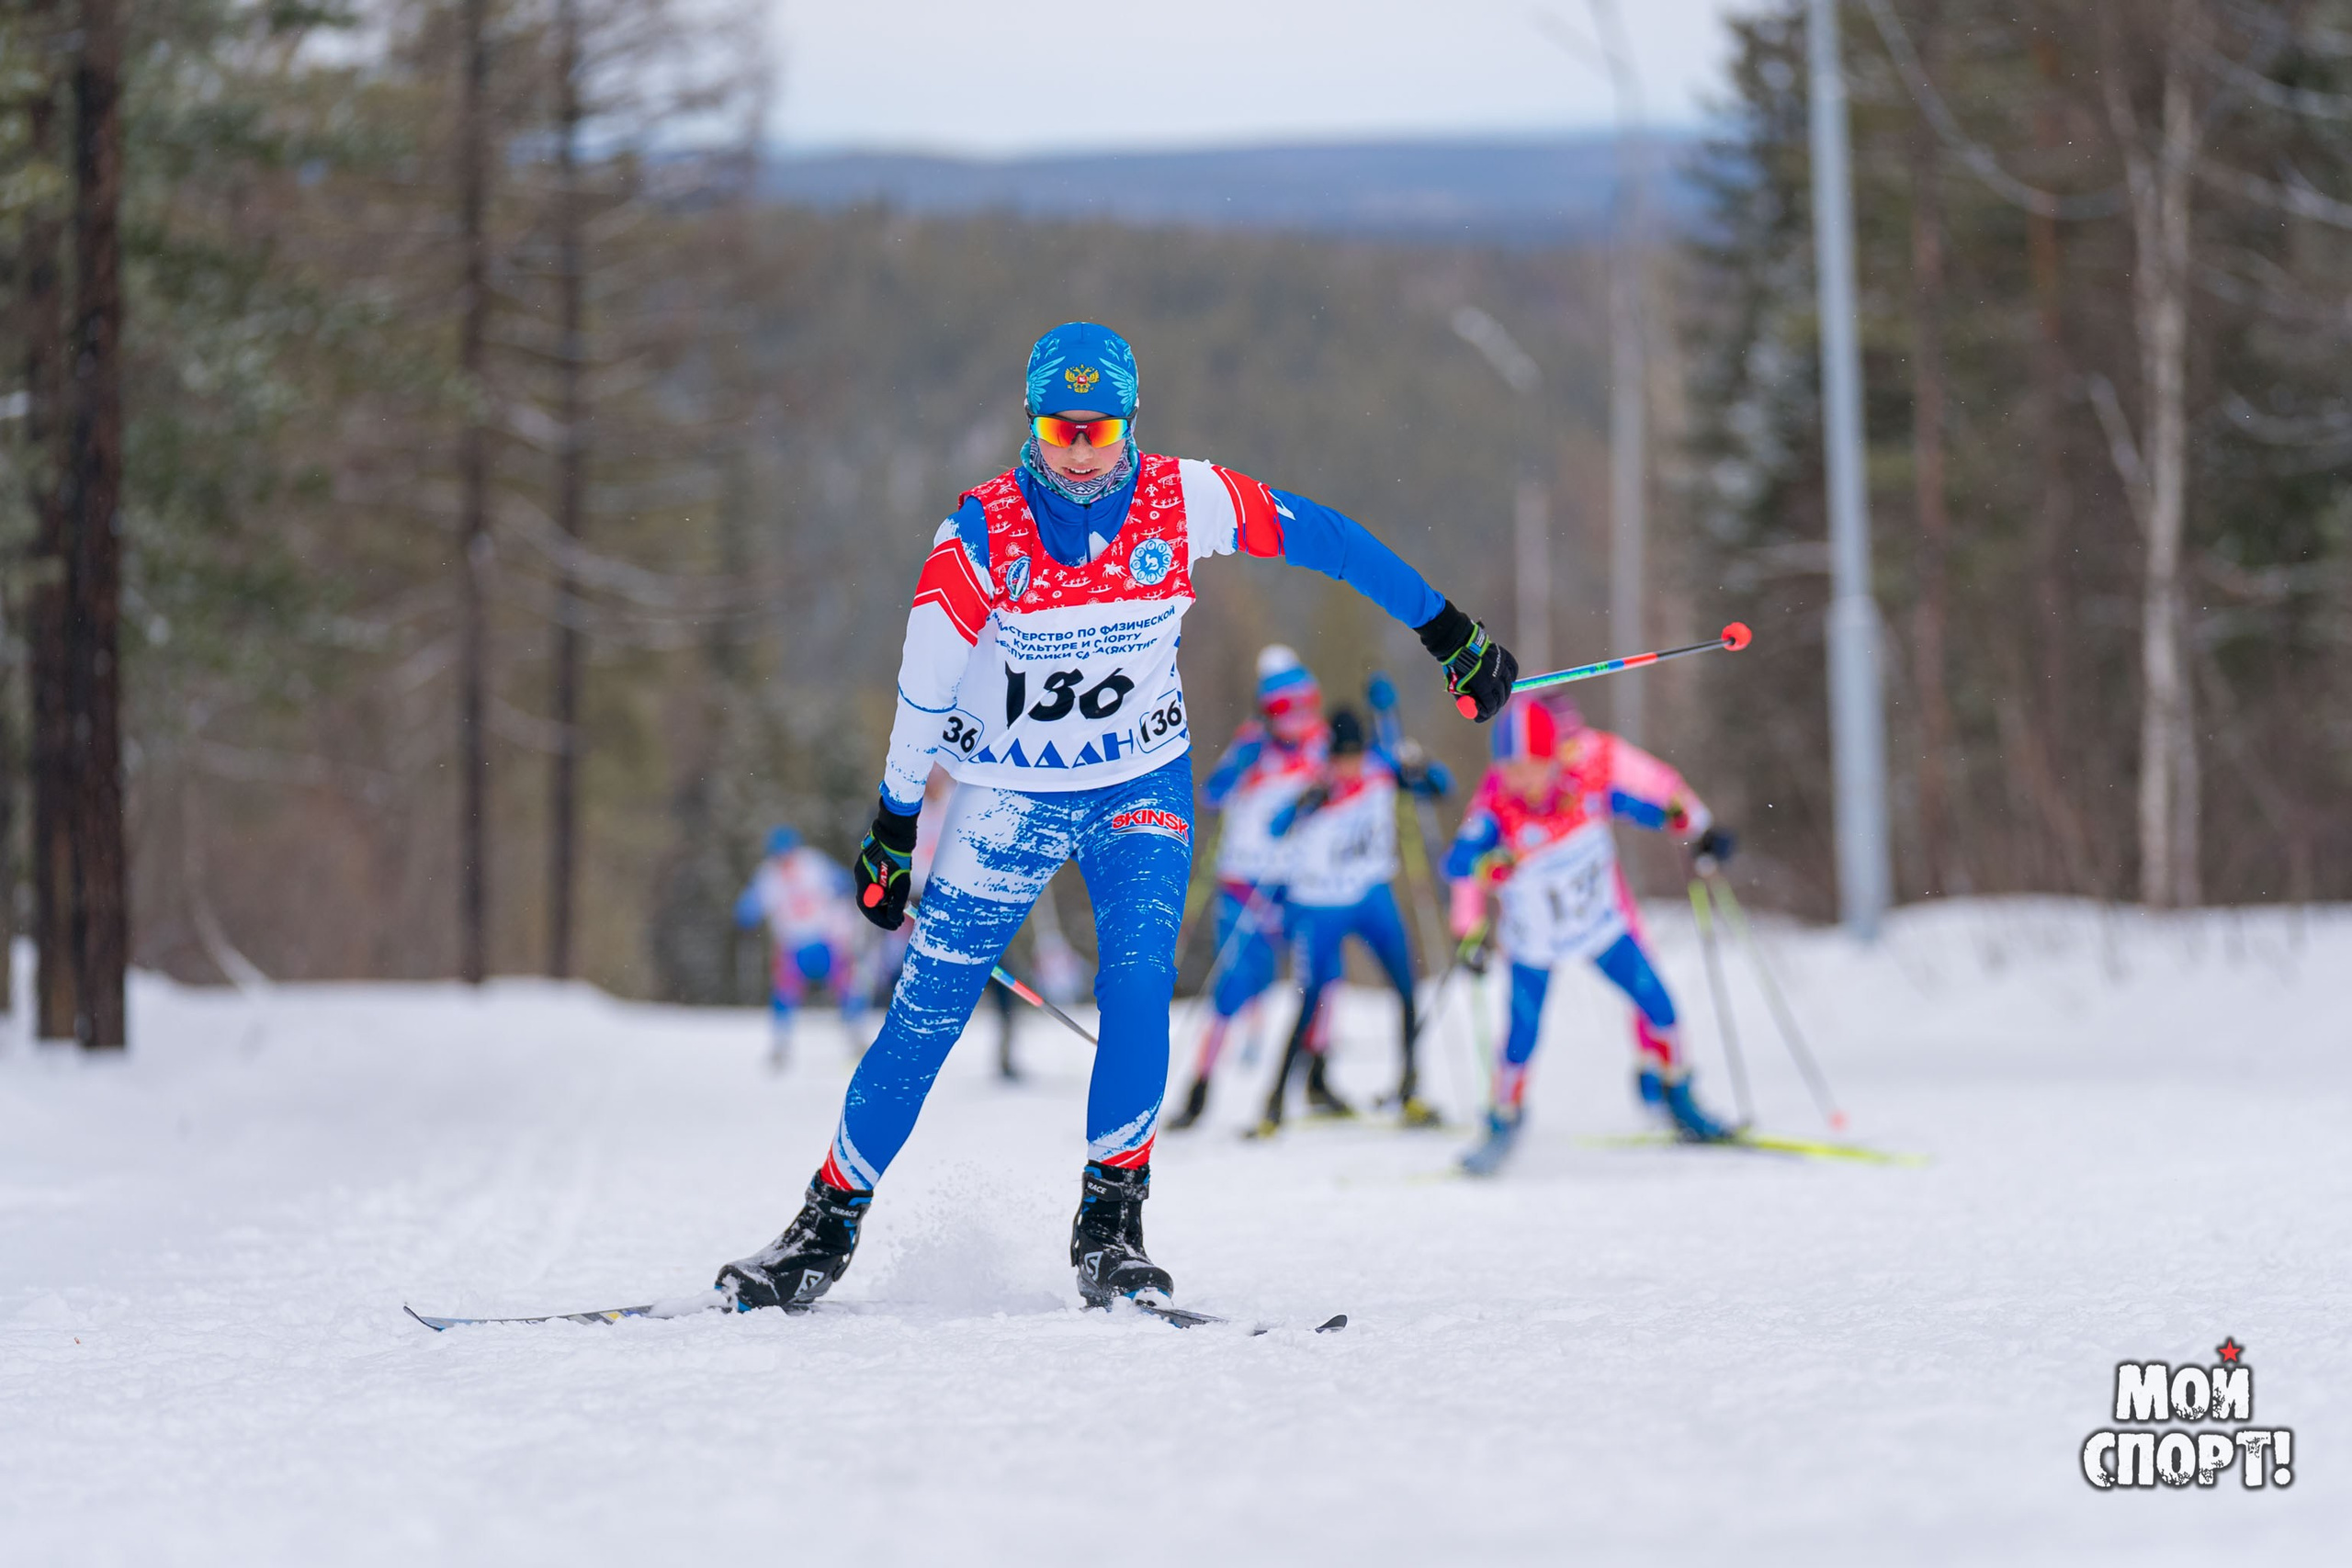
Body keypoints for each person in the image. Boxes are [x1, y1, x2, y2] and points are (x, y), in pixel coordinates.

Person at [713, 321, 1518, 1313]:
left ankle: (1112, 1229)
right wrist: (891, 826)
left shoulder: (1184, 499)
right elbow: (921, 694)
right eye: (1062, 429)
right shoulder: (981, 535)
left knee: (1138, 985)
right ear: (1032, 423)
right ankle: (823, 1229)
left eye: (1100, 430)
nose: (1082, 452)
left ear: (1132, 422)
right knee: (927, 1015)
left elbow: (1327, 538)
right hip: (1008, 794)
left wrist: (1448, 630)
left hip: (1140, 784)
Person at [1445, 697, 1738, 1177]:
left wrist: (1689, 823)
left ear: (1553, 758)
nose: (1521, 779)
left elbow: (1649, 804)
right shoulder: (1495, 808)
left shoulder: (1584, 787)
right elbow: (1459, 864)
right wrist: (1471, 927)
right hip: (1534, 945)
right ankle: (1503, 1119)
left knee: (1661, 1008)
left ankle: (1680, 1098)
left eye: (1531, 766)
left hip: (1600, 929)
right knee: (1521, 1036)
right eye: (1510, 768)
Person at [1252, 707, 1446, 1134]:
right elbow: (1276, 828)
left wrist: (1421, 767)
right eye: (1342, 758)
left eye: (1355, 756)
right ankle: (1274, 1101)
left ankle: (1410, 1089)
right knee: (1310, 1000)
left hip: (1372, 894)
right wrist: (1303, 806)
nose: (1350, 766)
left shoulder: (1381, 769)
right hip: (1321, 903)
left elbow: (1438, 788)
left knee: (1407, 987)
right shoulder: (1318, 783)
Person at [1166, 646, 1328, 1131]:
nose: (1296, 719)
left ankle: (1317, 1077)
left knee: (1321, 978)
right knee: (1232, 986)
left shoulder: (1321, 744)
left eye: (1304, 706)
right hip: (1244, 882)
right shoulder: (1253, 743)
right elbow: (1212, 795)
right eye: (1284, 710)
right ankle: (1200, 1089)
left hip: (1296, 883)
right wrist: (1244, 763)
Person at [732, 826, 865, 1069]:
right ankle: (780, 1045)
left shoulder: (813, 863)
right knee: (784, 994)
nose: (785, 862)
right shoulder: (768, 876)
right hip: (792, 946)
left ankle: (856, 1037)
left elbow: (843, 881)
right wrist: (746, 913)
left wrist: (847, 895)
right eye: (780, 857)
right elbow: (751, 904)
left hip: (825, 939)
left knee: (846, 987)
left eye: (788, 855)